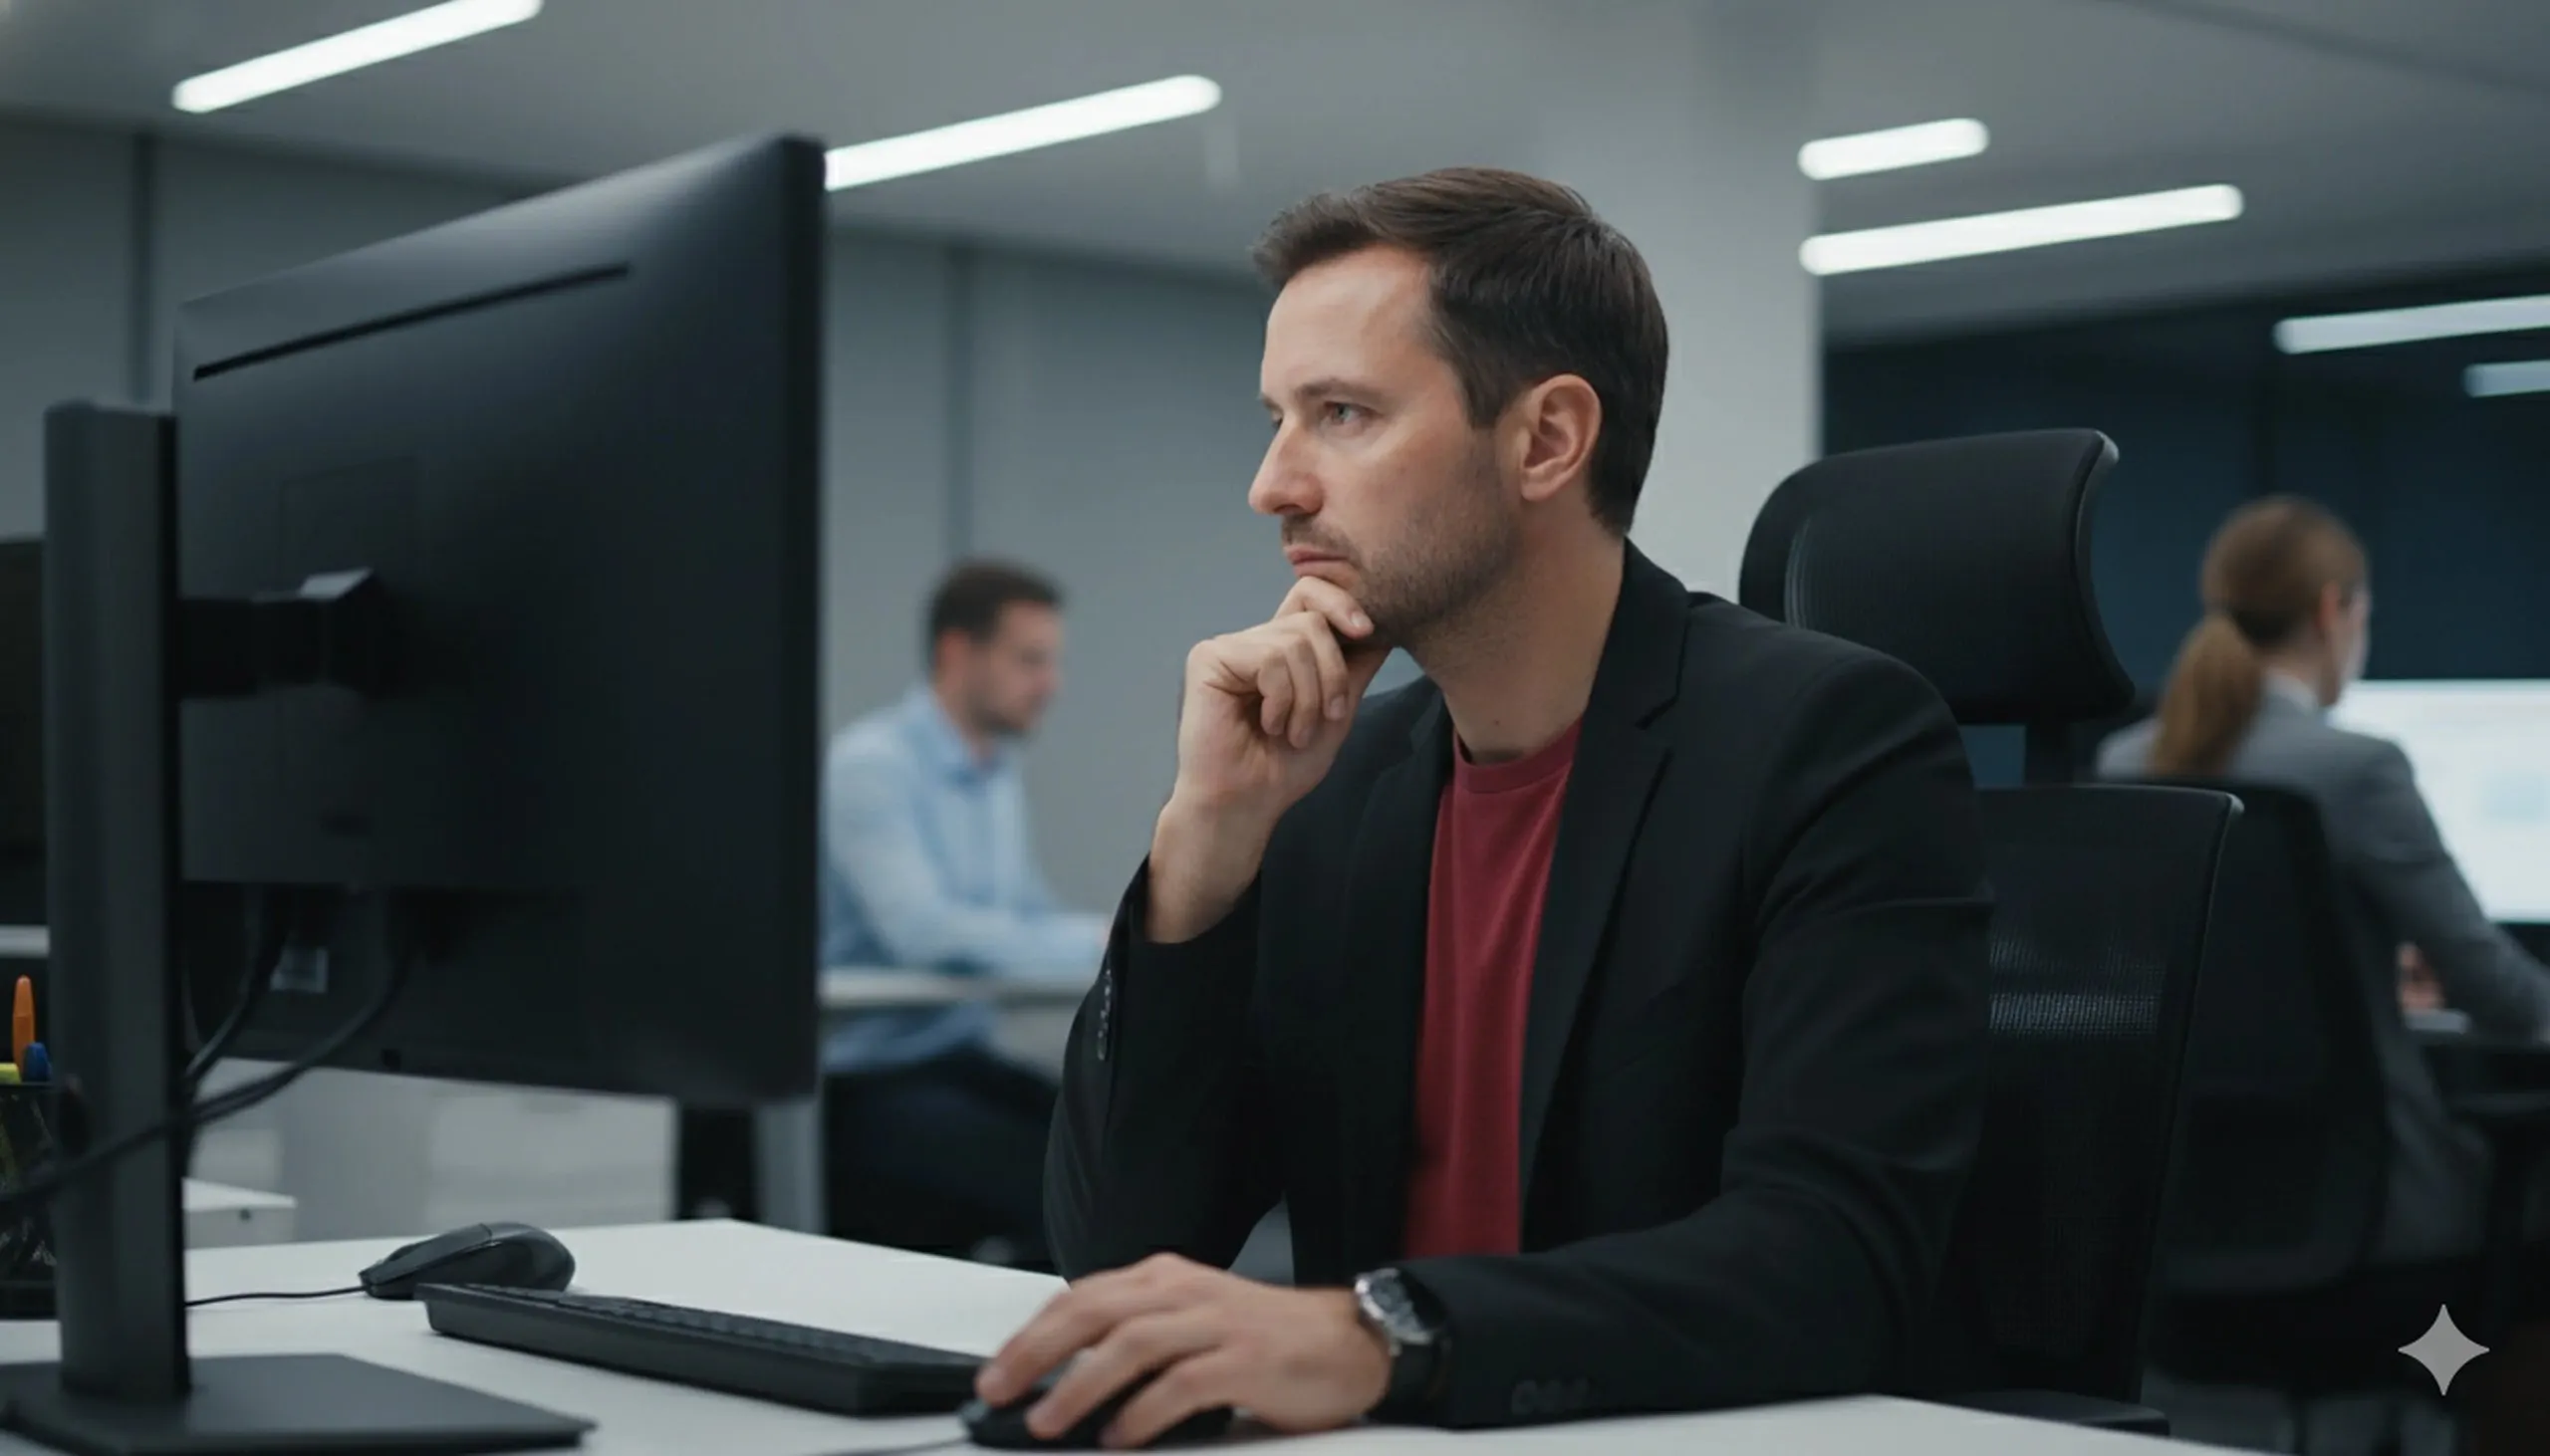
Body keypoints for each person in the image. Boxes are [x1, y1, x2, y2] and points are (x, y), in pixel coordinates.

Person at [971, 168, 1993, 1444]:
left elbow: (1831, 1258)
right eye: (1277, 417)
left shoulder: (1825, 744)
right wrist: (1205, 846)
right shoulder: (1341, 780)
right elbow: (1119, 1242)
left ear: (1546, 440)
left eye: (1339, 413)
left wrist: (1383, 1334)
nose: (1273, 484)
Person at [2099, 496, 2550, 1260]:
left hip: (2185, 1195)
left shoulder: (2125, 764)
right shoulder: (2359, 770)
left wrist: (2360, 969)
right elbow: (2507, 1001)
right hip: (2370, 1203)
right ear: (2333, 608)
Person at [818, 560, 1109, 1264]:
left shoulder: (993, 771)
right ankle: (1042, 1367)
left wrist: (1121, 935)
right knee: (1064, 1189)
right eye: (1030, 660)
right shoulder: (872, 765)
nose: (1051, 684)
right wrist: (1109, 939)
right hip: (866, 1079)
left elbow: (1025, 916)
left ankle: (1086, 1360)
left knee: (1112, 1153)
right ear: (957, 652)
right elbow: (924, 932)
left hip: (954, 1054)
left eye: (1053, 661)